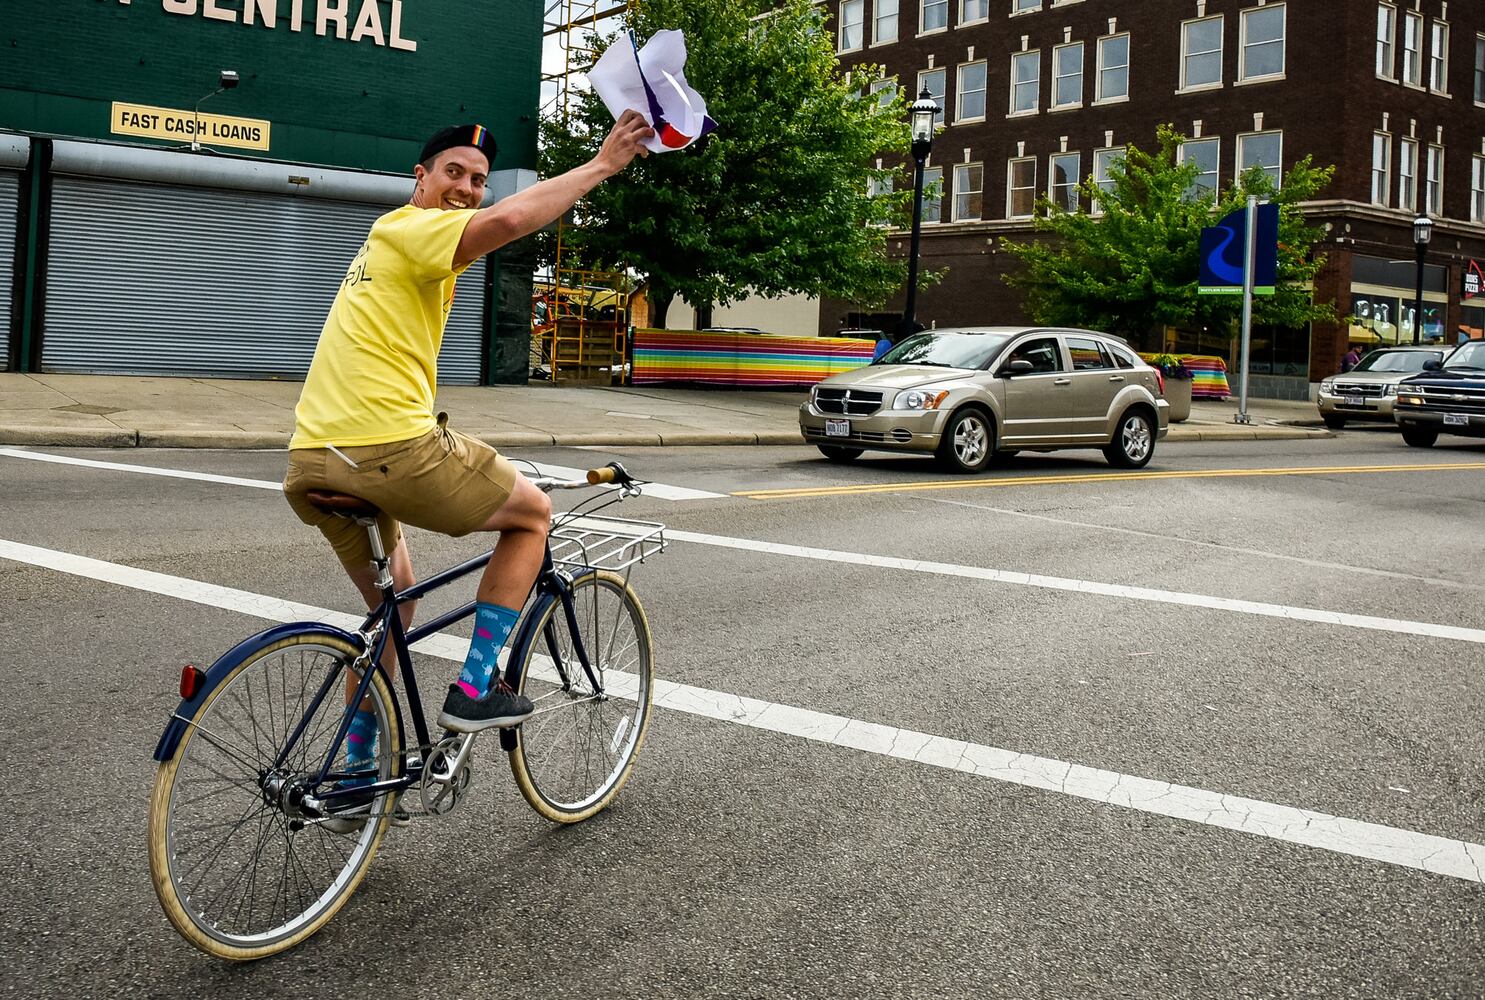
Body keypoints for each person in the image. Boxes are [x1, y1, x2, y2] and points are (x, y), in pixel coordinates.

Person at [283, 111, 654, 777]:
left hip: (315, 457)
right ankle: (477, 686)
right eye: (453, 172)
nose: (466, 187)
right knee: (533, 512)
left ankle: (354, 775)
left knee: (395, 610)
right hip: (387, 446)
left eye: (478, 180)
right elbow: (510, 224)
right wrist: (601, 166)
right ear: (419, 178)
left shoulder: (391, 245)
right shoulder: (411, 227)